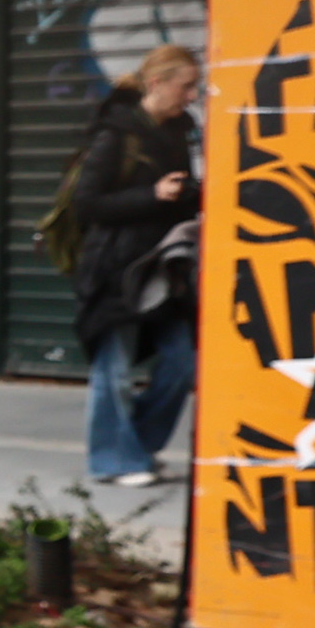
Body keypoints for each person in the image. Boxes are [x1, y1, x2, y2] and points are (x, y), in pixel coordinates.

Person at [64, 43, 203, 488]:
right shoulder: (115, 134)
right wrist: (152, 195)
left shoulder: (183, 131)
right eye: (186, 86)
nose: (192, 96)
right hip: (117, 269)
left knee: (181, 362)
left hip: (163, 267)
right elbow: (86, 205)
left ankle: (137, 447)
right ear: (158, 83)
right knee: (115, 369)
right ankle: (112, 460)